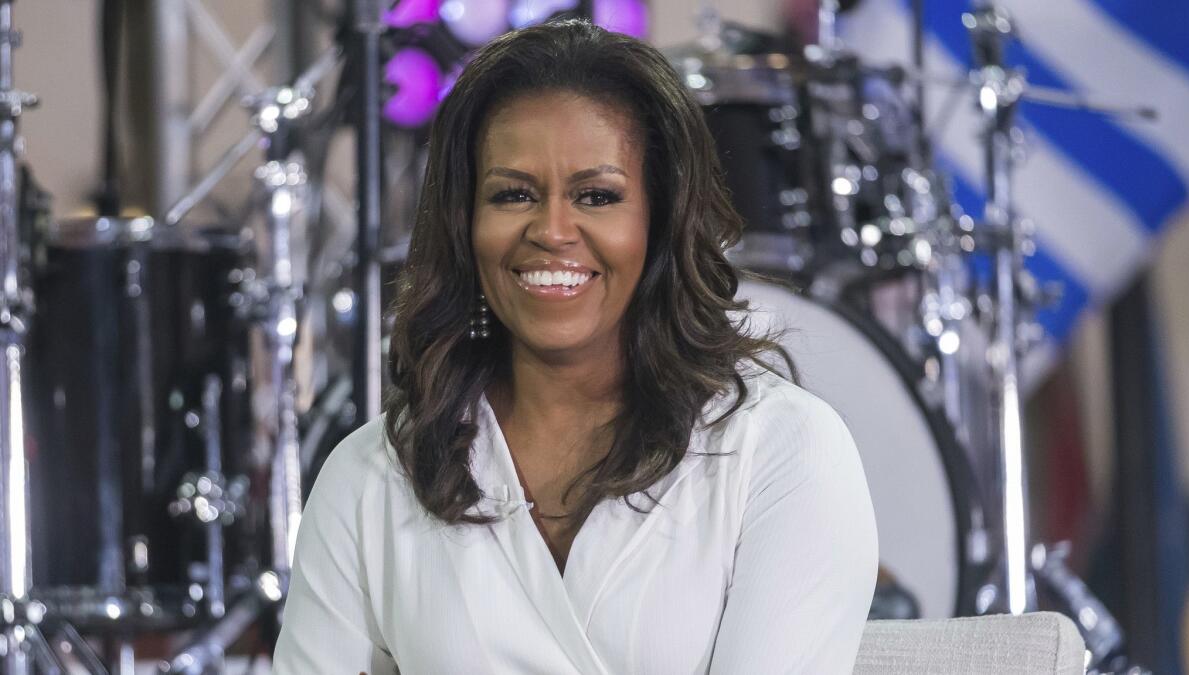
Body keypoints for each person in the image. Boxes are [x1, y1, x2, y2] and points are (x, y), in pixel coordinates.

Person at [273, 20, 877, 674]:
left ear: (661, 219)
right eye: (512, 194)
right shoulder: (368, 478)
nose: (552, 230)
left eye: (597, 196)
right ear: (464, 221)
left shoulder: (784, 451)